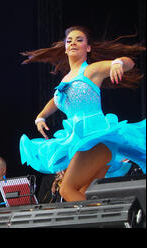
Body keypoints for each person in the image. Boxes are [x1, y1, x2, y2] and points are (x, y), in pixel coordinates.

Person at [19, 26, 146, 202]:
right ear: (65, 48)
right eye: (69, 40)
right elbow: (55, 101)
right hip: (85, 142)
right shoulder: (65, 79)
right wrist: (40, 116)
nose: (73, 43)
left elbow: (128, 62)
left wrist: (118, 63)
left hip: (96, 140)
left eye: (79, 40)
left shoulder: (90, 71)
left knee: (66, 190)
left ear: (88, 48)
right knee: (86, 196)